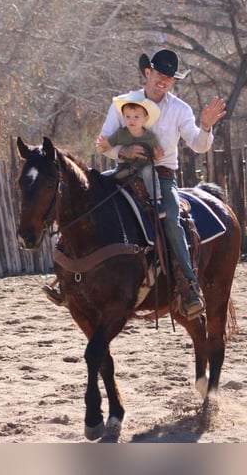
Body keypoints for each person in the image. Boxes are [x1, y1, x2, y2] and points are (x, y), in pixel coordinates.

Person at [97, 48, 226, 320]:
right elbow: (104, 141)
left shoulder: (180, 109)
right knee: (89, 196)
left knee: (170, 218)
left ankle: (189, 286)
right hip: (125, 169)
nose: (164, 81)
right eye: (160, 74)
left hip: (162, 174)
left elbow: (198, 145)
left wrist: (205, 127)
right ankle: (68, 275)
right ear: (147, 73)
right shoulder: (122, 104)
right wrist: (124, 152)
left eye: (170, 78)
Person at [96, 97, 164, 214]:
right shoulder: (120, 133)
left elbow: (155, 157)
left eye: (136, 117)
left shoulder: (150, 137)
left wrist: (157, 156)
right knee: (106, 178)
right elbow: (107, 147)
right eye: (128, 117)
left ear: (145, 119)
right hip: (125, 167)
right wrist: (103, 144)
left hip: (143, 167)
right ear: (123, 118)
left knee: (150, 172)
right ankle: (102, 207)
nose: (131, 120)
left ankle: (156, 200)